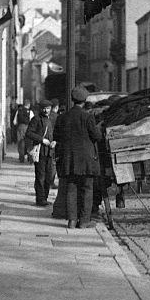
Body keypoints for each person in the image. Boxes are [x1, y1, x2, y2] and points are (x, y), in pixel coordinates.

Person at [53, 86, 102, 228]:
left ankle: (72, 221)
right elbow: (97, 136)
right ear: (84, 101)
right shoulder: (88, 117)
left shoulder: (63, 117)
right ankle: (84, 221)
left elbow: (57, 137)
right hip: (86, 161)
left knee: (71, 189)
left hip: (69, 160)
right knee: (87, 189)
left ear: (72, 99)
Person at [25, 101, 57, 206]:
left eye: (48, 108)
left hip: (50, 151)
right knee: (40, 176)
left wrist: (55, 141)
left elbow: (57, 132)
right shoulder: (36, 119)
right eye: (44, 108)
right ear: (40, 109)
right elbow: (29, 133)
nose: (46, 110)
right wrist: (42, 140)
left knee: (49, 176)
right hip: (40, 152)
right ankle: (40, 199)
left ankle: (45, 197)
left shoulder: (53, 118)